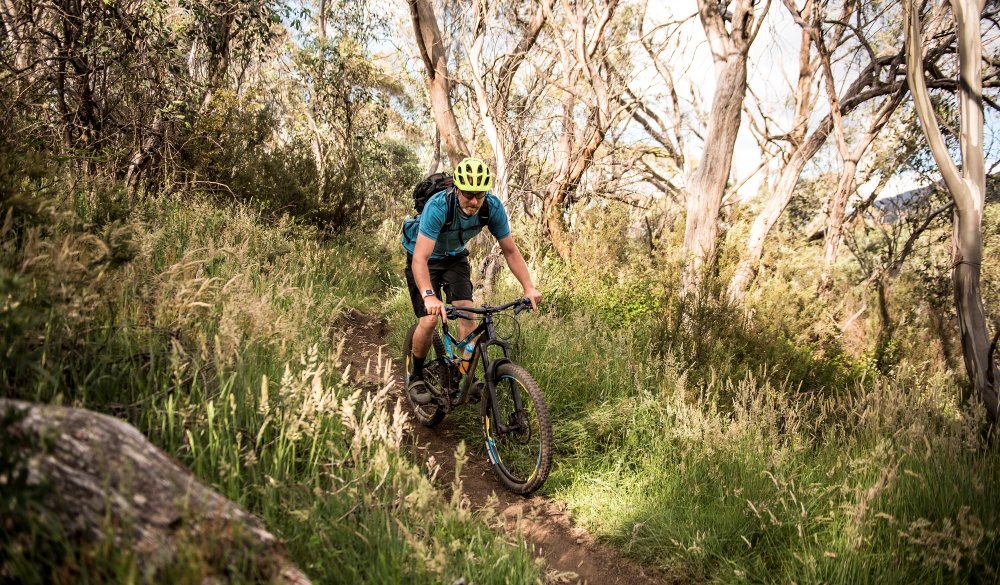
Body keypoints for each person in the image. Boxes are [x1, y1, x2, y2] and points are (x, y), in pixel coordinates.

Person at [402, 157, 541, 404]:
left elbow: (510, 250)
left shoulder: (492, 207)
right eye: (468, 194)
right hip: (424, 257)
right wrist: (429, 295)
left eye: (479, 194)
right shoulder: (439, 206)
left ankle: (462, 376)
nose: (474, 201)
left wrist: (528, 287)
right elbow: (420, 258)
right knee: (429, 319)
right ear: (457, 189)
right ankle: (416, 375)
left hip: (455, 257)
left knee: (467, 313)